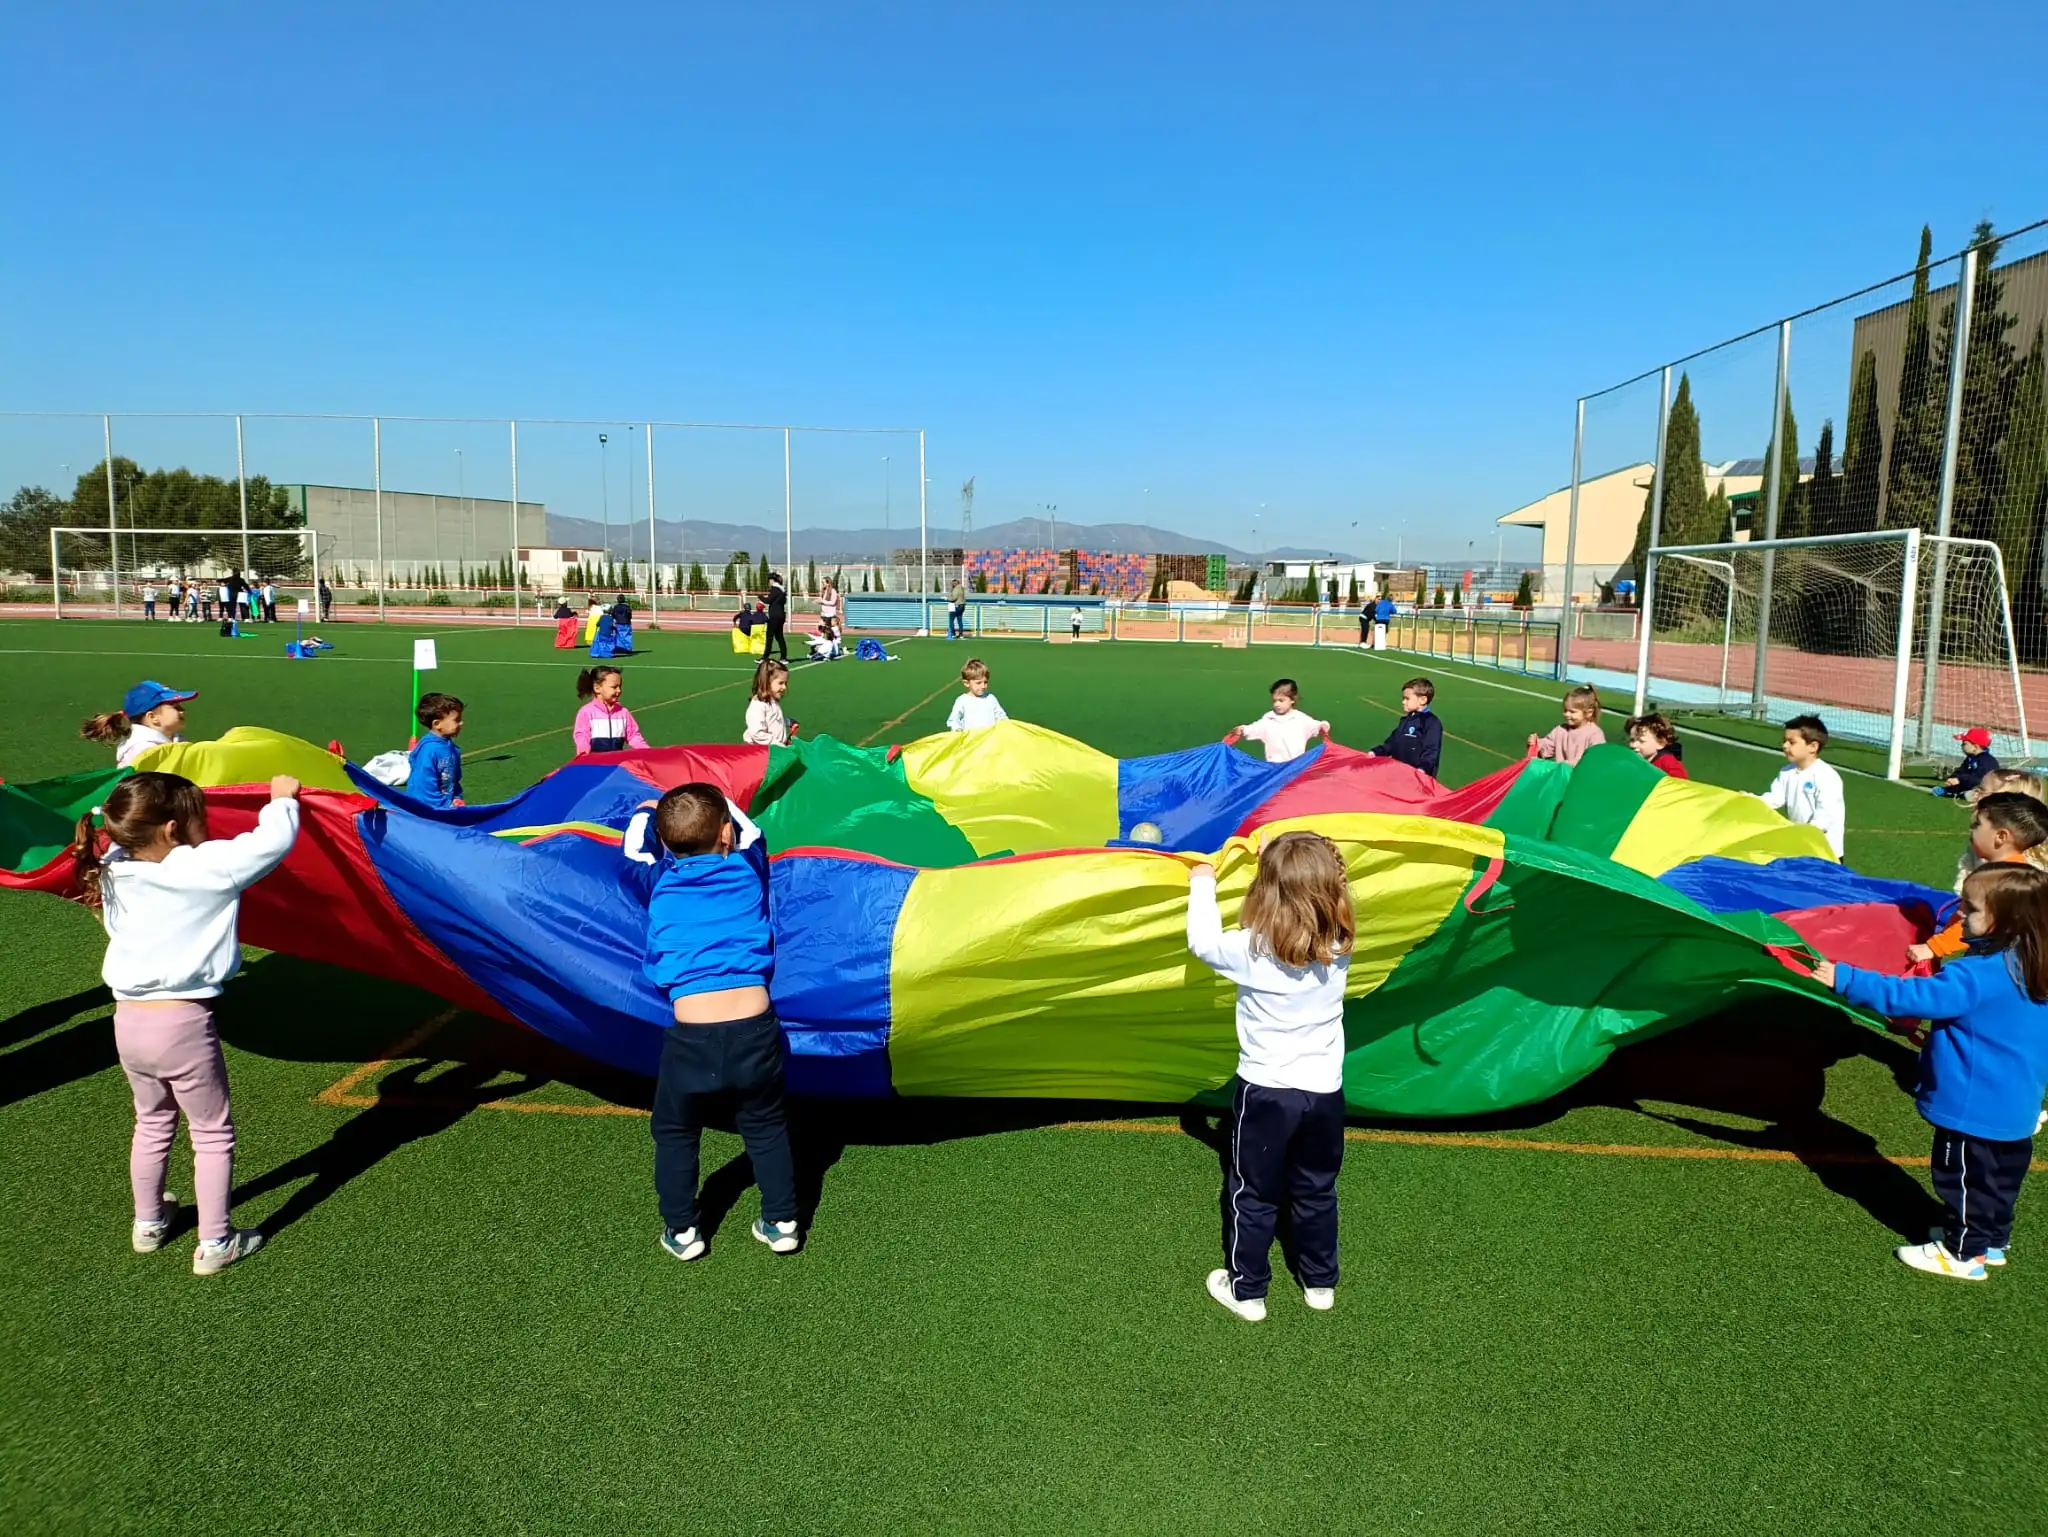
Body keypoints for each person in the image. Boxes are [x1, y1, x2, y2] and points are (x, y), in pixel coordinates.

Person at [72, 770, 301, 1274]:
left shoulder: (112, 867)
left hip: (128, 1022)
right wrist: (283, 800)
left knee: (152, 1122)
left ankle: (149, 1222)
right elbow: (271, 844)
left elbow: (123, 844)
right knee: (212, 1133)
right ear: (173, 829)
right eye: (201, 817)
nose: (208, 825)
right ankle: (216, 1242)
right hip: (182, 1023)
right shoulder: (201, 866)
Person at [1816, 863, 2048, 1280]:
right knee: (1998, 1181)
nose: (1960, 915)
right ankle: (1991, 1241)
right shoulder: (2031, 966)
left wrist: (1846, 978)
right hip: (2017, 1105)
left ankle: (1963, 1255)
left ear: (2004, 920)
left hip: (1973, 1109)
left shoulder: (1976, 975)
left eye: (1970, 909)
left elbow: (1911, 996)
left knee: (1962, 1181)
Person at [626, 783, 798, 1260]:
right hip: (755, 1028)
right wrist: (718, 798)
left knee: (676, 1132)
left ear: (664, 842)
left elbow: (634, 846)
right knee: (765, 1125)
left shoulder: (658, 880)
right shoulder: (747, 868)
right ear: (725, 834)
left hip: (692, 1037)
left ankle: (683, 1231)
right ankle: (783, 1221)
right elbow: (752, 831)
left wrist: (648, 809)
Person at [1186, 831, 1354, 1321]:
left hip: (1266, 1093)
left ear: (1265, 891)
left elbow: (1202, 941)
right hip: (1324, 1094)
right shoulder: (1340, 941)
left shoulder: (1251, 949)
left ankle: (1248, 1291)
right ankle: (1320, 1283)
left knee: (1254, 1192)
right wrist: (1288, 864)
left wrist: (1202, 879)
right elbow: (1325, 890)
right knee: (1316, 1190)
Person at [1913, 792, 2048, 963]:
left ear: (2001, 836)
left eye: (1977, 824)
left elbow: (1980, 920)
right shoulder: (1999, 872)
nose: (1971, 829)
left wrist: (1934, 948)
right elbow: (1964, 916)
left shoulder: (2006, 880)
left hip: (2000, 961)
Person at [1757, 713, 1846, 858]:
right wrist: (1750, 800)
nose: (1785, 746)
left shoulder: (1826, 776)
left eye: (1791, 742)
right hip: (1801, 847)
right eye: (1784, 741)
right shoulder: (1786, 772)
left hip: (1825, 853)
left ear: (1813, 747)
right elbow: (1775, 798)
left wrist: (1806, 832)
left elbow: (1825, 816)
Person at [80, 681, 197, 768]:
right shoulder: (143, 749)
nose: (182, 710)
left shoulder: (174, 739)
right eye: (175, 707)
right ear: (153, 717)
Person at [1227, 679, 1329, 764]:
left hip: (1295, 768)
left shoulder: (1301, 719)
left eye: (1281, 700)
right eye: (1274, 701)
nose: (1277, 704)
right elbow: (1255, 728)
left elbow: (1316, 726)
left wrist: (1323, 725)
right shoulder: (1269, 718)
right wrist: (1243, 729)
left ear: (1292, 699)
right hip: (1274, 769)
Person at [1366, 677, 1441, 778]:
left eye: (1407, 699)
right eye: (1403, 698)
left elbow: (1431, 751)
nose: (1403, 702)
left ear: (1423, 700)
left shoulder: (1431, 722)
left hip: (1418, 778)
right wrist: (1377, 752)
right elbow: (1392, 743)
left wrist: (1423, 768)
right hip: (1399, 774)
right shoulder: (1405, 720)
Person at [574, 665, 649, 754]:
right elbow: (582, 736)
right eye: (614, 687)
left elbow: (633, 735)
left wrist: (647, 751)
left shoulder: (623, 713)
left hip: (616, 760)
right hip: (595, 760)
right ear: (597, 688)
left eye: (620, 686)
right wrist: (583, 751)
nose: (619, 690)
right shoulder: (586, 712)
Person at [408, 693, 465, 810]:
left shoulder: (451, 747)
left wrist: (456, 797)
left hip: (444, 805)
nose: (461, 723)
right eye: (456, 720)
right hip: (425, 808)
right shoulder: (429, 750)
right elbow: (424, 784)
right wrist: (443, 806)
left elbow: (454, 778)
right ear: (437, 724)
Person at [1528, 685, 1606, 766]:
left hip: (1582, 773)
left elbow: (1595, 759)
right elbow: (1547, 748)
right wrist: (1536, 743)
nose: (1567, 714)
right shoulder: (1560, 730)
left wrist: (1567, 764)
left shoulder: (1595, 734)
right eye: (1565, 710)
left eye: (1572, 712)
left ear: (1589, 713)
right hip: (1561, 773)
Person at [743, 659, 798, 746]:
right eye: (780, 683)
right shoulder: (758, 706)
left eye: (785, 683)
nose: (784, 687)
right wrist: (778, 745)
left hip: (774, 748)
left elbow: (774, 718)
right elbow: (757, 733)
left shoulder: (771, 701)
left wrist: (788, 722)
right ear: (767, 683)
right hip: (762, 751)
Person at [1935, 727, 2000, 798]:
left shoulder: (1987, 761)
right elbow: (1961, 771)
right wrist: (1953, 778)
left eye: (1964, 744)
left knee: (1971, 790)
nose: (1961, 746)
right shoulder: (1970, 758)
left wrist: (1959, 779)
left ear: (1975, 747)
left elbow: (1980, 780)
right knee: (1962, 786)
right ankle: (1948, 790)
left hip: (1986, 789)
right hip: (1972, 785)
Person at [947, 658, 1008, 732]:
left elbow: (1001, 716)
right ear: (966, 683)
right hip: (971, 738)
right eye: (978, 683)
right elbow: (954, 720)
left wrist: (1004, 723)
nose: (983, 686)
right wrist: (957, 729)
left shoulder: (990, 698)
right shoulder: (962, 700)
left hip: (990, 737)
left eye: (985, 682)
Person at [1625, 713, 1688, 779]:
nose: (1633, 745)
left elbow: (1680, 782)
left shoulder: (1668, 762)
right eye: (1632, 740)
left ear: (1660, 743)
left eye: (1641, 741)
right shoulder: (1635, 760)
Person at [763, 573, 789, 661]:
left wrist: (760, 597)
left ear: (772, 580)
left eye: (769, 580)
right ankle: (783, 657)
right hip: (781, 615)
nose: (769, 582)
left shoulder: (775, 589)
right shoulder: (782, 590)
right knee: (779, 637)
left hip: (774, 616)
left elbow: (768, 600)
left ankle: (765, 657)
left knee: (769, 636)